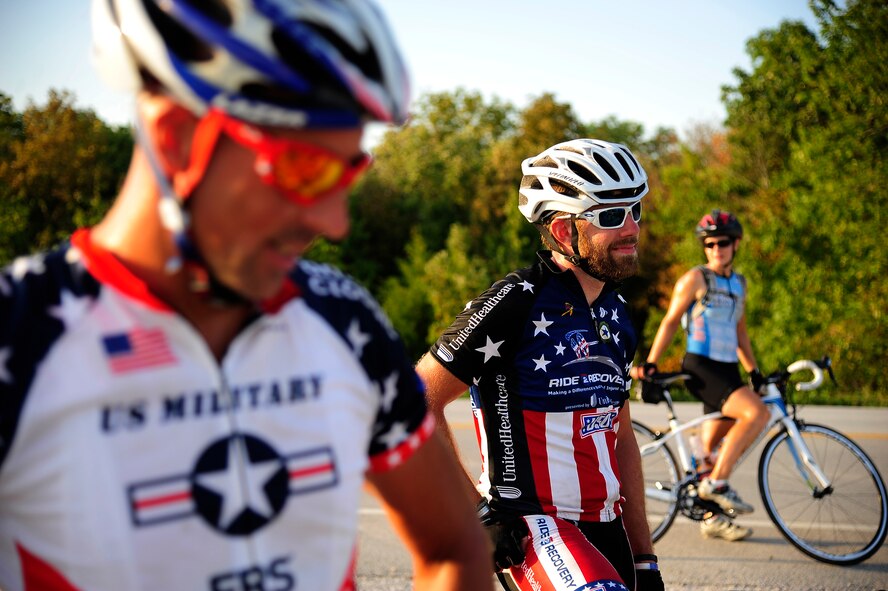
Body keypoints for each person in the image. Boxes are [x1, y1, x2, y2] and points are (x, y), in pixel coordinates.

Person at [0, 1, 491, 589]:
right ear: (176, 137)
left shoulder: (343, 319)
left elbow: (454, 547)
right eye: (306, 172)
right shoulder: (19, 337)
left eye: (349, 173)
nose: (335, 222)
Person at [416, 139, 664, 591]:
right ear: (565, 231)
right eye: (610, 216)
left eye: (635, 211)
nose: (631, 228)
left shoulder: (618, 310)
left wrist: (644, 556)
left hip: (606, 526)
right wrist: (474, 512)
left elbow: (620, 435)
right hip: (535, 526)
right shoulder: (515, 300)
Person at [638, 210, 768, 542]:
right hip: (701, 366)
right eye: (709, 244)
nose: (716, 249)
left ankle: (709, 514)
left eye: (722, 243)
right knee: (756, 413)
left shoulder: (740, 283)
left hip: (727, 367)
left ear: (736, 243)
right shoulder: (695, 278)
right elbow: (669, 321)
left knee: (709, 448)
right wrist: (651, 363)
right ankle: (716, 484)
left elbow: (741, 332)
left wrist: (753, 371)